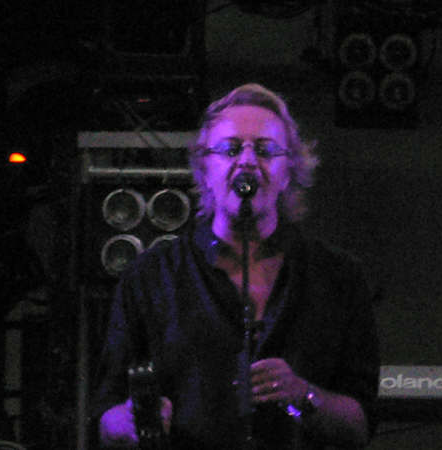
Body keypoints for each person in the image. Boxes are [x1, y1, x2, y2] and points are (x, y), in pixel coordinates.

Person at [91, 83, 380, 449]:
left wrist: (304, 395)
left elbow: (360, 424)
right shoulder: (150, 278)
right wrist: (134, 421)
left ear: (288, 170)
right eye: (230, 149)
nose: (246, 162)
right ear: (205, 168)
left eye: (265, 150)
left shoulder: (338, 277)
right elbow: (106, 415)